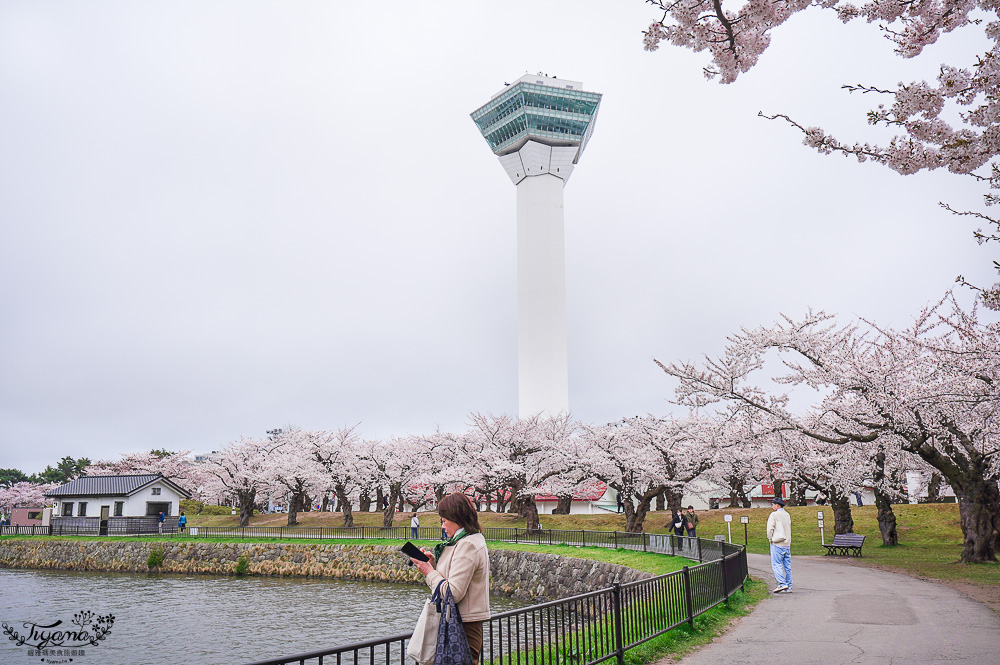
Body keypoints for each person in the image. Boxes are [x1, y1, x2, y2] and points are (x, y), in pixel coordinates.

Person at [410, 493, 490, 664]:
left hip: (462, 626)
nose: (442, 526)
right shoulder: (468, 539)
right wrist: (433, 564)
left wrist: (429, 571)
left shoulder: (467, 544)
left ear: (457, 518)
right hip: (460, 622)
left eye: (444, 521)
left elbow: (452, 593)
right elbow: (455, 577)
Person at [766, 497, 792, 593]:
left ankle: (782, 583)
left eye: (773, 504)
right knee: (787, 566)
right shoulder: (787, 515)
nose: (772, 506)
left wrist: (770, 539)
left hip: (777, 543)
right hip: (787, 543)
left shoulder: (774, 515)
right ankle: (789, 586)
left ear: (777, 505)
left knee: (776, 564)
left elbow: (770, 529)